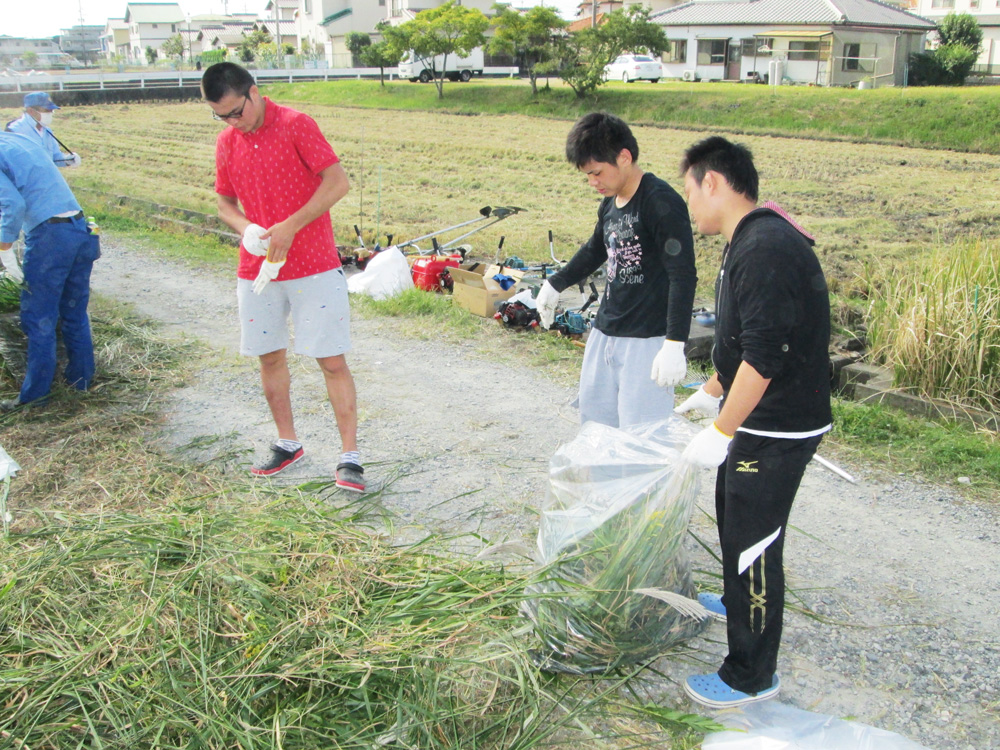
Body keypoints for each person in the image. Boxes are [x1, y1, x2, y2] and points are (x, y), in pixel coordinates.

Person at [675, 135, 832, 708]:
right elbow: (747, 343)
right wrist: (709, 391)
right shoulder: (751, 236)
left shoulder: (763, 247)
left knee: (754, 545)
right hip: (755, 415)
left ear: (711, 182)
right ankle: (737, 601)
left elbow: (766, 355)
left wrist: (721, 432)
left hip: (777, 425)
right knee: (734, 516)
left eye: (691, 192)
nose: (691, 207)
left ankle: (750, 674)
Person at [201, 62, 364, 491]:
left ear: (253, 93)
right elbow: (223, 204)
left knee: (330, 359)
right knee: (269, 356)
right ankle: (287, 442)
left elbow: (337, 183)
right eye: (222, 116)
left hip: (313, 264)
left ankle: (350, 456)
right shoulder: (226, 142)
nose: (232, 121)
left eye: (236, 111)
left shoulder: (296, 124)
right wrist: (246, 229)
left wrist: (291, 224)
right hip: (257, 271)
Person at [535, 112, 697, 428]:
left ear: (624, 157)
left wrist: (675, 342)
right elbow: (597, 247)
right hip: (605, 331)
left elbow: (682, 274)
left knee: (642, 441)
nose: (592, 182)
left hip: (646, 340)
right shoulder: (610, 202)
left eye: (597, 172)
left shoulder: (660, 202)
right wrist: (556, 283)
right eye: (587, 175)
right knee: (597, 428)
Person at [0, 131, 99, 411]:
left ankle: (35, 397)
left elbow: (12, 204)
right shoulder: (18, 140)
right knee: (74, 312)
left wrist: (4, 248)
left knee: (39, 318)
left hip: (50, 238)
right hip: (80, 230)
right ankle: (81, 381)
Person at [5, 92, 81, 168]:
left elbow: (54, 157)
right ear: (31, 111)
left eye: (51, 111)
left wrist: (67, 160)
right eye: (46, 110)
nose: (50, 113)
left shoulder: (47, 131)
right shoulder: (14, 130)